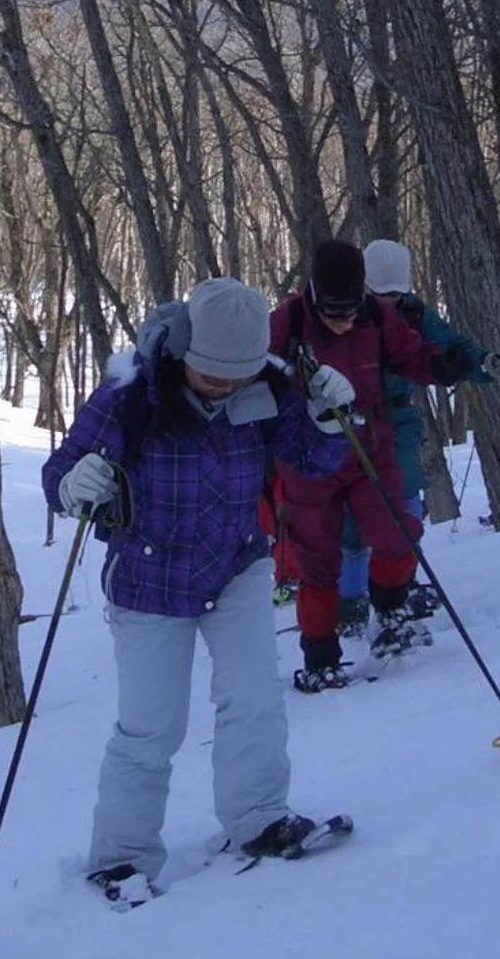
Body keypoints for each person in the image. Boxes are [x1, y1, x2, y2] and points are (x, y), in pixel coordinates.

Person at [42, 276, 357, 907]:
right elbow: (59, 476)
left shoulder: (264, 386)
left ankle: (260, 819)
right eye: (212, 374)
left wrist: (329, 417)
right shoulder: (131, 393)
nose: (224, 386)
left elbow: (319, 461)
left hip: (237, 566)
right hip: (150, 580)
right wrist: (76, 486)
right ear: (185, 349)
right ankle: (121, 858)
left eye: (236, 375)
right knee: (151, 729)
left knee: (256, 701)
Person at [270, 239, 445, 691]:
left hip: (370, 448)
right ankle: (321, 655)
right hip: (308, 460)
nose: (345, 323)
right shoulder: (286, 322)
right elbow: (258, 381)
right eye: (334, 313)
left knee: (397, 530)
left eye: (351, 312)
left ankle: (391, 608)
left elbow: (413, 355)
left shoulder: (377, 314)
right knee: (317, 561)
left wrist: (455, 364)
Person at [333, 237, 500, 633]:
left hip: (396, 423)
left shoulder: (414, 313)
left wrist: (485, 363)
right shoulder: (344, 313)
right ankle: (349, 605)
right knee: (351, 523)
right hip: (348, 427)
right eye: (381, 295)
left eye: (396, 295)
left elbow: (453, 345)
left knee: (406, 508)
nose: (389, 302)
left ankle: (400, 586)